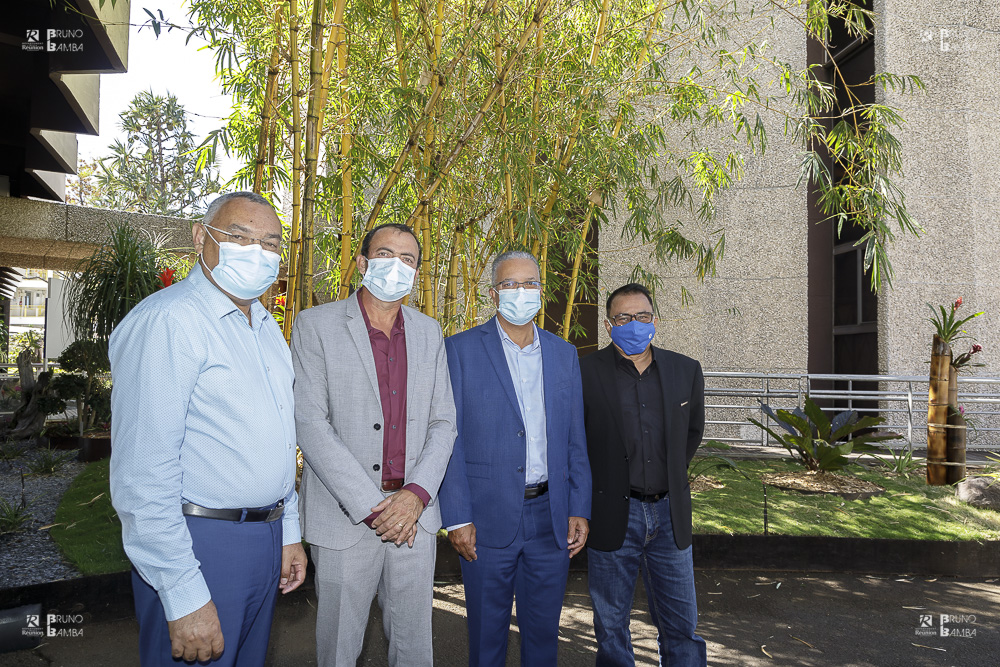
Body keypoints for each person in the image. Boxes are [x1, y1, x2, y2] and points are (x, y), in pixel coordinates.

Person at [109, 191, 307, 666]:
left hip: (264, 536)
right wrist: (182, 592)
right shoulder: (167, 321)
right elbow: (143, 474)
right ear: (201, 238)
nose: (257, 252)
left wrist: (288, 531)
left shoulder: (266, 325)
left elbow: (278, 437)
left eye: (270, 243)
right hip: (199, 543)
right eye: (239, 237)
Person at [291, 223, 457, 667]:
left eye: (408, 260)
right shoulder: (315, 325)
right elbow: (310, 423)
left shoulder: (429, 332)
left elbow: (444, 422)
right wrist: (375, 506)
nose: (396, 266)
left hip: (414, 517)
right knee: (340, 648)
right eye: (385, 254)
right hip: (347, 517)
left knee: (414, 645)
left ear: (418, 272)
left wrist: (416, 496)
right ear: (362, 263)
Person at [439, 249, 591, 667]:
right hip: (485, 518)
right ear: (493, 293)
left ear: (541, 290)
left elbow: (575, 437)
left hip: (550, 516)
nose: (520, 292)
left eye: (530, 283)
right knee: (486, 638)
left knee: (543, 637)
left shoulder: (564, 354)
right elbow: (447, 440)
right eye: (510, 284)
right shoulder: (460, 350)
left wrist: (579, 506)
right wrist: (456, 515)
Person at [581, 282, 707, 666]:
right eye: (623, 318)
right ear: (608, 324)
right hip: (612, 511)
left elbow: (692, 432)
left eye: (642, 316)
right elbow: (575, 441)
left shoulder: (685, 370)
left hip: (670, 513)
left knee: (682, 624)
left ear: (655, 320)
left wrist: (667, 476)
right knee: (611, 627)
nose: (633, 324)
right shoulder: (583, 371)